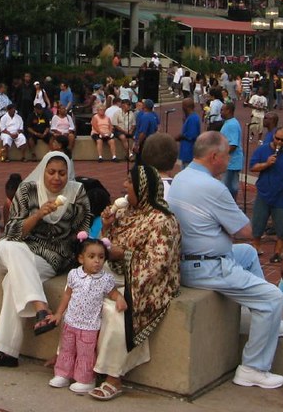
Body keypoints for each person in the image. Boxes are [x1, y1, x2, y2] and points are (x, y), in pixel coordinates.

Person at [166, 131, 283, 390]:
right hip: (206, 266)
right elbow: (246, 231)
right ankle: (253, 368)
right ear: (214, 157)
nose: (230, 160)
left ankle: (273, 325)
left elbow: (237, 236)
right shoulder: (213, 187)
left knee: (247, 253)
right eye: (228, 155)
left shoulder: (182, 177)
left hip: (189, 259)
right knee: (271, 298)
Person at [0, 152, 91, 368]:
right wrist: (37, 215)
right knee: (8, 245)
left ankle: (4, 351)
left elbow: (83, 230)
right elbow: (12, 231)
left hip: (53, 255)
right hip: (20, 246)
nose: (57, 178)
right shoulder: (27, 190)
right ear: (43, 170)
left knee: (12, 281)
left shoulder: (77, 192)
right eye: (51, 172)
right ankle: (41, 307)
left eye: (62, 173)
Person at [88, 165, 180, 401]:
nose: (125, 186)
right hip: (117, 273)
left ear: (144, 188)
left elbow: (158, 264)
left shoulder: (164, 221)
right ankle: (72, 359)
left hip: (146, 280)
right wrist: (106, 226)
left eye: (130, 182)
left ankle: (113, 377)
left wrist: (124, 255)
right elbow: (104, 248)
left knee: (117, 312)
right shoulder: (126, 212)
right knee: (82, 291)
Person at [46, 235, 127, 395]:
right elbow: (67, 295)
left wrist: (119, 299)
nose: (97, 261)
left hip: (89, 326)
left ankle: (85, 379)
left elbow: (113, 293)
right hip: (70, 322)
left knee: (86, 354)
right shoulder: (74, 275)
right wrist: (59, 314)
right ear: (81, 258)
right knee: (66, 350)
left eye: (101, 257)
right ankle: (63, 373)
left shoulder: (105, 279)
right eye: (91, 257)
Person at [249, 127, 283, 264]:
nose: (279, 142)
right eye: (277, 138)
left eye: (282, 140)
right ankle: (256, 246)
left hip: (281, 197)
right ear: (273, 137)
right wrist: (266, 164)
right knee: (258, 223)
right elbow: (253, 167)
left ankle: (277, 253)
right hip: (263, 193)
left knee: (282, 228)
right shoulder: (262, 150)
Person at [219, 101, 243, 198]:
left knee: (228, 188)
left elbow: (233, 145)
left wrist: (220, 155)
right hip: (230, 163)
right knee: (228, 187)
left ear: (228, 111)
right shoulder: (228, 123)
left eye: (222, 110)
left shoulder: (231, 125)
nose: (221, 112)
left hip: (232, 163)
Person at [175, 98, 200, 170]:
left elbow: (192, 135)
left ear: (186, 107)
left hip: (189, 152)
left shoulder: (193, 118)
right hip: (185, 153)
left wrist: (180, 137)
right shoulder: (189, 117)